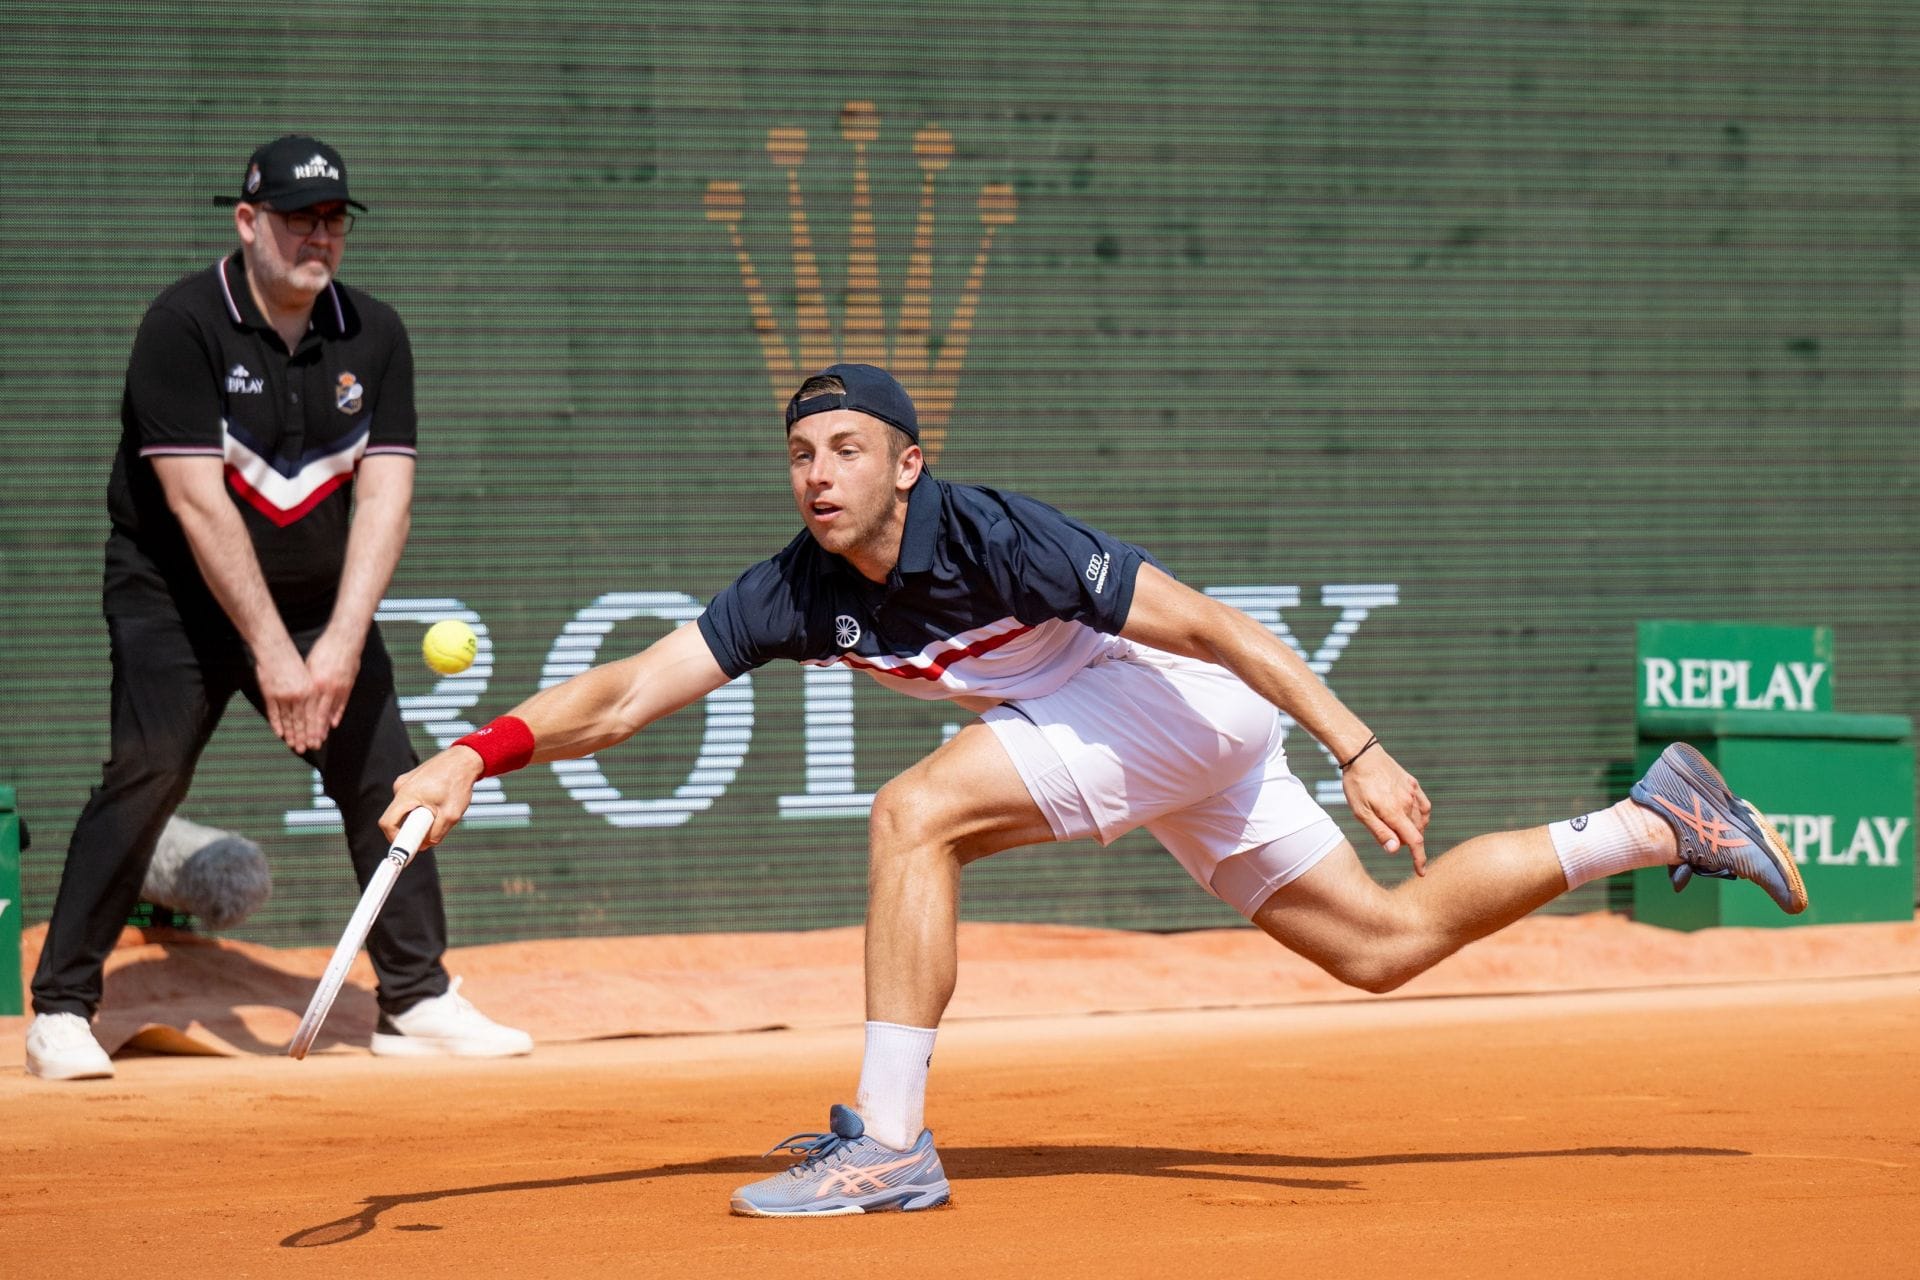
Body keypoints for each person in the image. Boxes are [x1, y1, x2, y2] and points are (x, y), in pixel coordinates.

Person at [381, 362, 1806, 1214]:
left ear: (907, 463)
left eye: (848, 450)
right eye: (802, 452)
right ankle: (1654, 816)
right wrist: (471, 755)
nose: (818, 474)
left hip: (1171, 700)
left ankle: (884, 1146)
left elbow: (1222, 630)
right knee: (1380, 946)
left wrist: (1355, 742)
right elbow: (629, 691)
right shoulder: (798, 589)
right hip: (1142, 730)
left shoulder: (997, 537)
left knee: (913, 814)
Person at [25, 136, 530, 1081]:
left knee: (386, 776)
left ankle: (414, 999)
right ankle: (63, 1008)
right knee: (148, 770)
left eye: (334, 220)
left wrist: (337, 644)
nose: (319, 236)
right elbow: (194, 501)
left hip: (313, 601)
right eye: (299, 218)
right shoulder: (181, 326)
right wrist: (273, 652)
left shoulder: (373, 335)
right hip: (173, 597)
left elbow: (385, 497)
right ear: (248, 223)